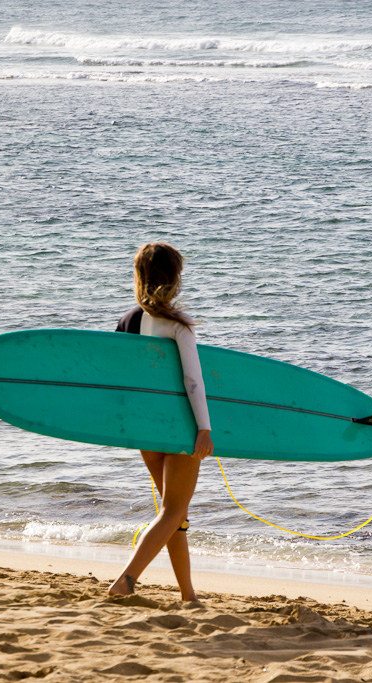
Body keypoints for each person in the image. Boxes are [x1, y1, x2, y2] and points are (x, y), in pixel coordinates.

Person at [107, 242, 214, 601]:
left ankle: (188, 594)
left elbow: (118, 378)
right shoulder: (178, 325)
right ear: (175, 278)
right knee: (173, 511)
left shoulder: (127, 321)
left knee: (173, 517)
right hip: (179, 429)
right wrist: (203, 428)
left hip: (145, 429)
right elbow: (192, 381)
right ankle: (126, 579)